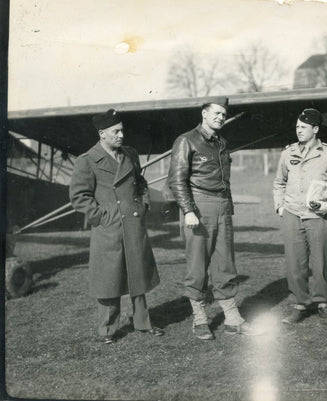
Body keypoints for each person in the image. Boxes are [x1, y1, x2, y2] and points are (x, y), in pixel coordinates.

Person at [70, 109, 164, 344]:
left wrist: (142, 204)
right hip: (108, 227)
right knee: (108, 279)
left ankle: (143, 323)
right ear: (102, 134)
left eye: (122, 130)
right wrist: (100, 217)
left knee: (138, 275)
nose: (122, 135)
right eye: (116, 131)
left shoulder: (130, 154)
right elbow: (79, 196)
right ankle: (108, 330)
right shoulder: (87, 160)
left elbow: (140, 183)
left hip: (133, 223)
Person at [167, 97, 255, 340]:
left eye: (223, 114)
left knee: (225, 264)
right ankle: (200, 319)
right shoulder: (186, 140)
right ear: (204, 114)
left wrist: (227, 208)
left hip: (222, 207)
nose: (220, 117)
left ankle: (232, 318)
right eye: (216, 113)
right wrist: (188, 210)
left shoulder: (221, 143)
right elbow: (176, 180)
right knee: (197, 266)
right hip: (198, 206)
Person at [273, 108, 327, 325]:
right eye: (297, 127)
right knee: (295, 263)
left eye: (303, 127)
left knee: (321, 261)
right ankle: (299, 304)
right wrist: (280, 206)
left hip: (318, 216)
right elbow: (279, 182)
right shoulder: (287, 153)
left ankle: (323, 304)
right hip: (292, 214)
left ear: (315, 129)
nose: (299, 131)